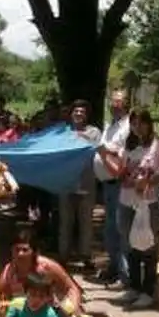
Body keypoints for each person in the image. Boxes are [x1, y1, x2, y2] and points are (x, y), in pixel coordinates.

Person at [97, 110, 159, 311]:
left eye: (142, 123)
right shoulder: (128, 146)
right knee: (129, 243)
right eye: (134, 124)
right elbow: (120, 173)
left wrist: (149, 180)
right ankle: (134, 286)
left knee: (148, 245)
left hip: (148, 203)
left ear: (150, 124)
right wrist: (105, 157)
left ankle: (147, 291)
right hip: (126, 200)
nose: (138, 127)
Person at [94, 90, 131, 287]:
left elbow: (122, 151)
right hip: (107, 184)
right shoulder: (110, 125)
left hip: (120, 184)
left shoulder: (128, 126)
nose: (114, 105)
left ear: (126, 104)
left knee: (120, 228)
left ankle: (125, 275)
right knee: (109, 230)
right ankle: (114, 267)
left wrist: (104, 150)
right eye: (112, 101)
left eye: (118, 102)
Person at [58, 100, 101, 268]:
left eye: (82, 112)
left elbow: (96, 149)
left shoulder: (94, 132)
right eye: (75, 111)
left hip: (87, 184)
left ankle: (86, 256)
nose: (78, 114)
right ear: (71, 114)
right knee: (65, 223)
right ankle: (63, 256)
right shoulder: (63, 132)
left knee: (86, 224)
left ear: (86, 115)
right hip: (66, 184)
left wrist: (78, 138)